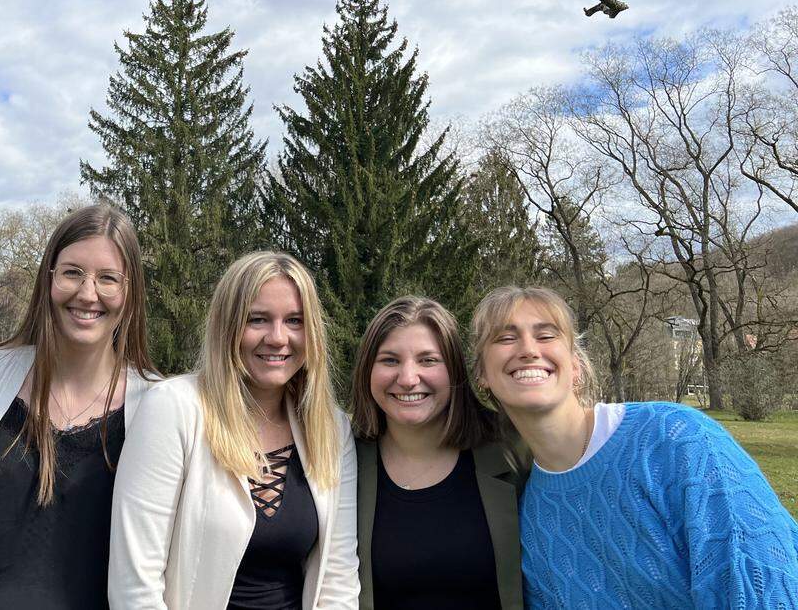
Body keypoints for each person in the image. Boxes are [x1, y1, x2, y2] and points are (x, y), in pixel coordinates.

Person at [471, 286, 798, 608]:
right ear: (482, 374)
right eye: (505, 338)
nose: (528, 349)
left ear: (576, 367)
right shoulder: (533, 519)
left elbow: (767, 588)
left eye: (546, 336)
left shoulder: (676, 440)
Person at [0, 204, 157, 610]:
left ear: (129, 293)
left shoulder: (156, 405)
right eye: (73, 272)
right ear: (50, 279)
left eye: (108, 278)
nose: (87, 293)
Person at [109, 251, 358, 609]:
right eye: (257, 319)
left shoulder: (331, 429)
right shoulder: (174, 409)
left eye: (294, 321)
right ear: (228, 327)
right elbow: (135, 585)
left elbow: (338, 582)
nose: (277, 337)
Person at [351, 296, 527, 610]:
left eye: (428, 360)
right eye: (390, 360)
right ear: (367, 370)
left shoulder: (512, 450)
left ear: (454, 371)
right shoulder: (343, 461)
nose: (407, 378)